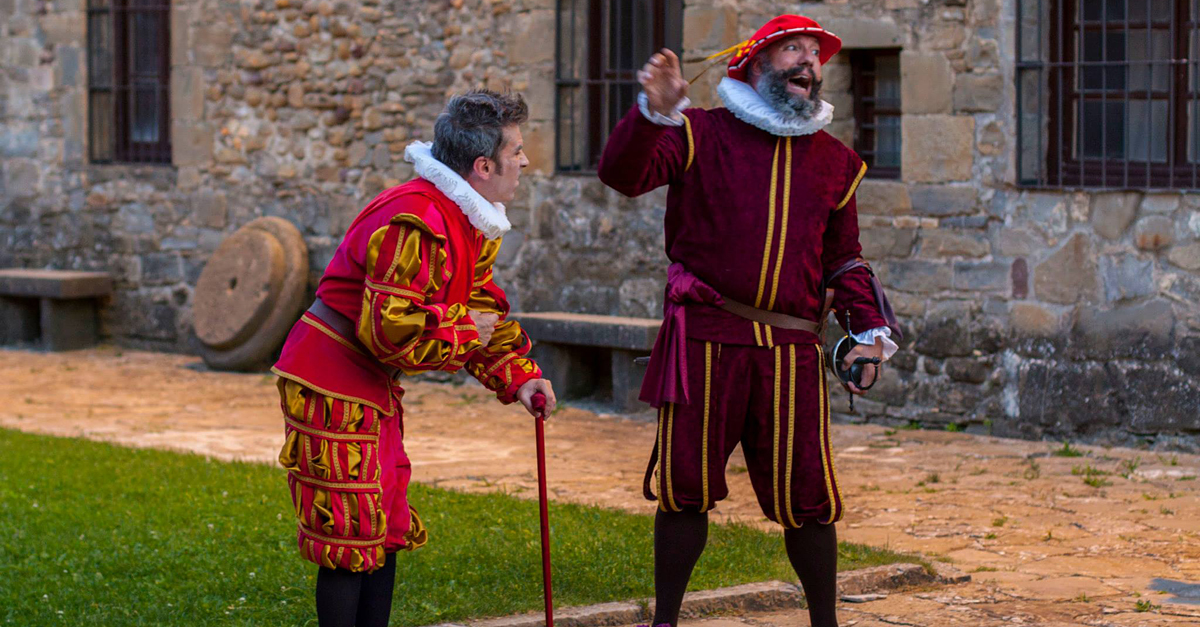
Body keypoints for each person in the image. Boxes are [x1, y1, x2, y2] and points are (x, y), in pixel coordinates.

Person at [597, 15, 902, 627]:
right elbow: (622, 175)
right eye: (793, 49)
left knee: (810, 500)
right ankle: (665, 622)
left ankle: (825, 623)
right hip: (706, 341)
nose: (807, 62)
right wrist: (652, 113)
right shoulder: (698, 133)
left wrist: (866, 333)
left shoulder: (837, 163)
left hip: (790, 352)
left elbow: (844, 259)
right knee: (686, 493)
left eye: (815, 54)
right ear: (755, 63)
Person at [272, 90, 557, 627]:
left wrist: (520, 377)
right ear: (482, 165)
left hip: (369, 382)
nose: (524, 161)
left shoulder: (467, 218)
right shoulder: (417, 218)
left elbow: (478, 308)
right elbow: (389, 332)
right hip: (329, 377)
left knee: (384, 525)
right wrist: (463, 329)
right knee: (350, 533)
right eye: (516, 150)